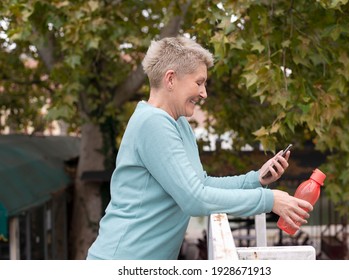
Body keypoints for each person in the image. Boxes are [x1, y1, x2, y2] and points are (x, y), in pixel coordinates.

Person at [86, 36, 313, 260]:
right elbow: (195, 199)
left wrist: (255, 180)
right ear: (171, 79)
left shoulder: (178, 123)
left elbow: (201, 184)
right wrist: (269, 200)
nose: (204, 93)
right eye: (199, 82)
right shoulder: (152, 123)